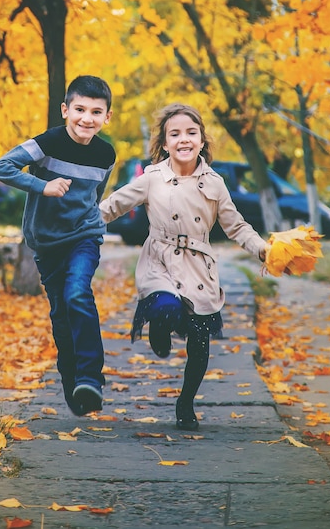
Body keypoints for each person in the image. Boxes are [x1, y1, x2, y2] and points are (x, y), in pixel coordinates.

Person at [100, 103, 267, 431]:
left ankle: (186, 402)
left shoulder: (216, 183)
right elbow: (113, 205)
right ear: (165, 143)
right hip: (160, 260)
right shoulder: (152, 179)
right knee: (165, 307)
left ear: (202, 140)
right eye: (174, 134)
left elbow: (236, 226)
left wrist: (261, 248)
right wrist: (80, 223)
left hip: (199, 267)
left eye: (191, 133)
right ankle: (159, 326)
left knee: (200, 342)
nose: (184, 139)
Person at [0, 75, 115, 416]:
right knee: (61, 316)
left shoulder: (106, 153)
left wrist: (91, 220)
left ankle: (91, 377)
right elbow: (0, 167)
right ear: (65, 110)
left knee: (77, 293)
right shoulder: (46, 144)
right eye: (79, 109)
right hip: (46, 243)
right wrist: (40, 185)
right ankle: (74, 385)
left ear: (107, 117)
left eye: (95, 111)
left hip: (84, 236)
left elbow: (94, 195)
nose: (86, 118)